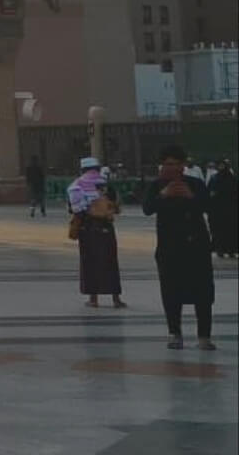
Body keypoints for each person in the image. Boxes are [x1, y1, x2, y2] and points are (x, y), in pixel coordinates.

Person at [143, 146, 216, 350]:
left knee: (203, 293)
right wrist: (163, 195)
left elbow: (209, 207)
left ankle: (204, 337)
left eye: (175, 164)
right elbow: (147, 209)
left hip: (197, 248)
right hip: (169, 248)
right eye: (167, 164)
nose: (171, 168)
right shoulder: (157, 185)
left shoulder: (196, 184)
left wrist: (191, 197)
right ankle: (175, 333)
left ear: (183, 165)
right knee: (171, 292)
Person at [68, 156, 125, 309]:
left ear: (82, 170)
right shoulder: (107, 185)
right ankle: (116, 299)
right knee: (110, 261)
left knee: (90, 263)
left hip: (87, 229)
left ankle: (93, 299)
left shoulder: (76, 186)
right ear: (98, 169)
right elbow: (117, 208)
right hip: (106, 228)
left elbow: (74, 209)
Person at [210, 160, 238, 259]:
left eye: (223, 166)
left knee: (230, 230)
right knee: (220, 230)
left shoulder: (232, 178)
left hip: (229, 209)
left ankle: (231, 250)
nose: (221, 167)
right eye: (220, 165)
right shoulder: (215, 178)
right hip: (219, 209)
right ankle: (220, 250)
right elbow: (210, 193)